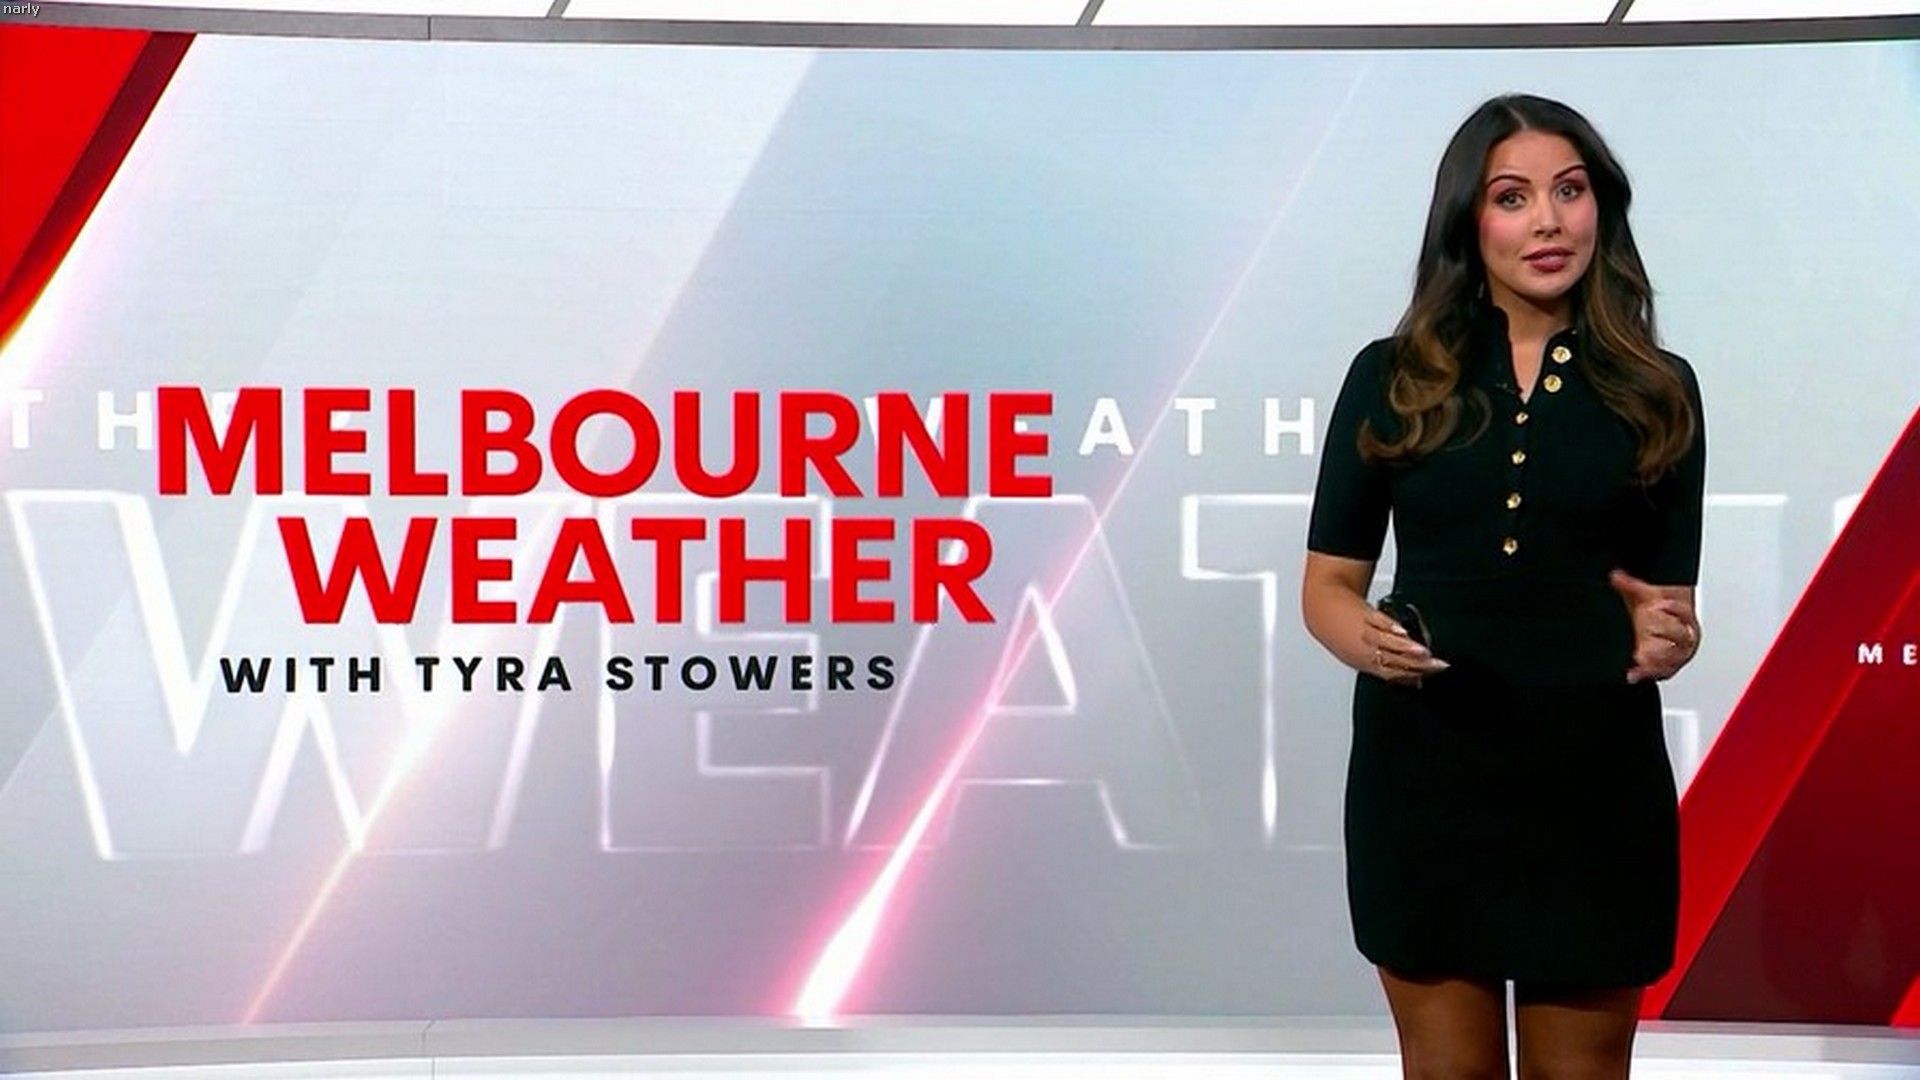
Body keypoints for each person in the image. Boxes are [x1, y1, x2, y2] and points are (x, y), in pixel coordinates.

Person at [1301, 93, 1706, 1079]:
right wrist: (1366, 641)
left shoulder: (1659, 387)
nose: (1548, 221)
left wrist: (1671, 637)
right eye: (1513, 197)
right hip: (1426, 782)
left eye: (1569, 191)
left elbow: (1670, 607)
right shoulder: (1392, 376)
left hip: (1594, 787)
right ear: (1468, 221)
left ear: (1600, 208)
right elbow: (1328, 587)